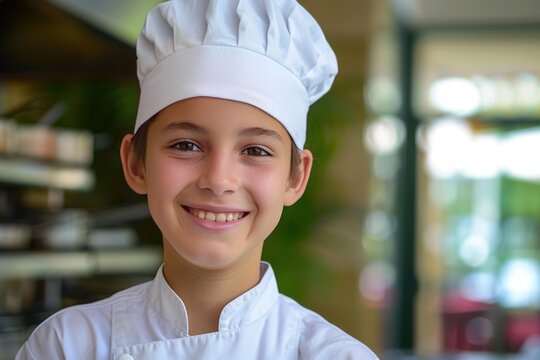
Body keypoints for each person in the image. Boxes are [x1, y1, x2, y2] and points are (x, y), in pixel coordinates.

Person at [16, 0, 379, 359]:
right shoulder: (65, 346)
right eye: (186, 145)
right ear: (135, 163)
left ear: (295, 178)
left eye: (255, 150)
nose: (218, 180)